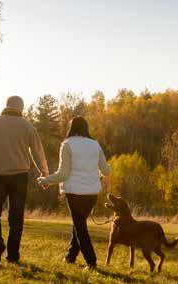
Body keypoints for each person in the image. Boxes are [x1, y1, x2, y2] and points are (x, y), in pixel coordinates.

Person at [0, 96, 49, 267]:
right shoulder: (27, 126)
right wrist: (45, 174)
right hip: (19, 177)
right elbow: (38, 152)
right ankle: (13, 256)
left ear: (6, 105)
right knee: (16, 218)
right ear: (21, 108)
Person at [37, 116, 111, 271]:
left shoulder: (67, 144)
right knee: (79, 225)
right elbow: (106, 170)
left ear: (71, 128)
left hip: (74, 193)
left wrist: (46, 180)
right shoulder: (95, 145)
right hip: (91, 194)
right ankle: (70, 256)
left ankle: (91, 262)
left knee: (80, 227)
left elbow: (63, 174)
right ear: (86, 128)